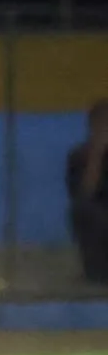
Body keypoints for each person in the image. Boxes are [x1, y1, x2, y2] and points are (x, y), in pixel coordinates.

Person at [66, 100, 108, 284]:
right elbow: (84, 193)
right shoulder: (79, 156)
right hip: (96, 215)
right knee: (85, 211)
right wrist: (97, 154)